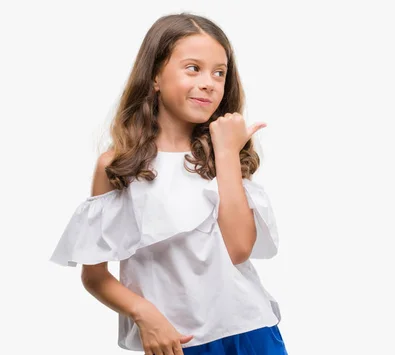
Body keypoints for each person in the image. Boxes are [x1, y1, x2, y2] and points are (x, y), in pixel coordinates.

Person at [49, 12, 287, 355]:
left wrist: (225, 153)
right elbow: (94, 275)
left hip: (251, 331)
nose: (209, 82)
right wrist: (145, 315)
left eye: (219, 73)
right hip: (174, 342)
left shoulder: (223, 155)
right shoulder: (119, 166)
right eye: (193, 68)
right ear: (156, 75)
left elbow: (238, 249)